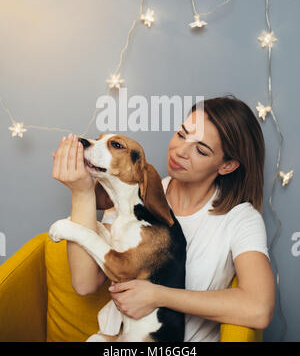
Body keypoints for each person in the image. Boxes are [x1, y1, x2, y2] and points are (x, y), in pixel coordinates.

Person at [52, 95, 275, 342]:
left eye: (200, 150)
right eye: (181, 134)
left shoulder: (241, 219)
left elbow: (258, 309)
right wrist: (81, 192)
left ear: (227, 165)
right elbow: (85, 283)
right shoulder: (132, 191)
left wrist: (158, 295)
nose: (180, 151)